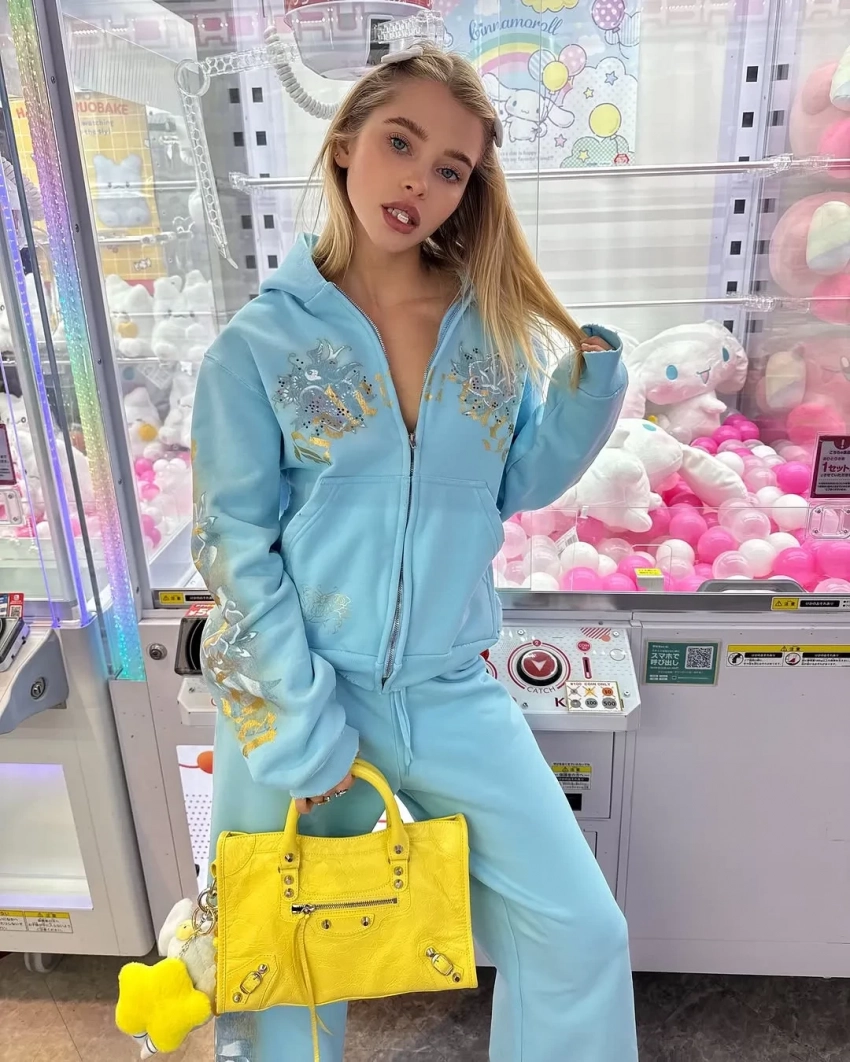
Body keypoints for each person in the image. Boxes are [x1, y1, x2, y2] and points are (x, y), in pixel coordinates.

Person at [191, 44, 638, 1062]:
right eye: (401, 143)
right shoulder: (256, 345)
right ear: (347, 142)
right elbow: (234, 546)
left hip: (447, 690)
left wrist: (589, 389)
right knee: (284, 976)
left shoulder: (488, 327)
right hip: (297, 691)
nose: (419, 184)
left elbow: (512, 483)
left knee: (579, 932)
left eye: (449, 168)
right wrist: (301, 731)